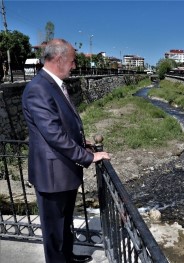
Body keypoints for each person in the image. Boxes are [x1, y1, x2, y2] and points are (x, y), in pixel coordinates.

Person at [22, 39, 110, 263]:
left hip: (63, 171)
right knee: (54, 230)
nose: (74, 66)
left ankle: (67, 258)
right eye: (72, 61)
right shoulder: (38, 89)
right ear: (59, 59)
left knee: (65, 223)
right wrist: (88, 157)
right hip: (52, 175)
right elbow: (53, 135)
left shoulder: (53, 84)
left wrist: (83, 143)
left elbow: (62, 126)